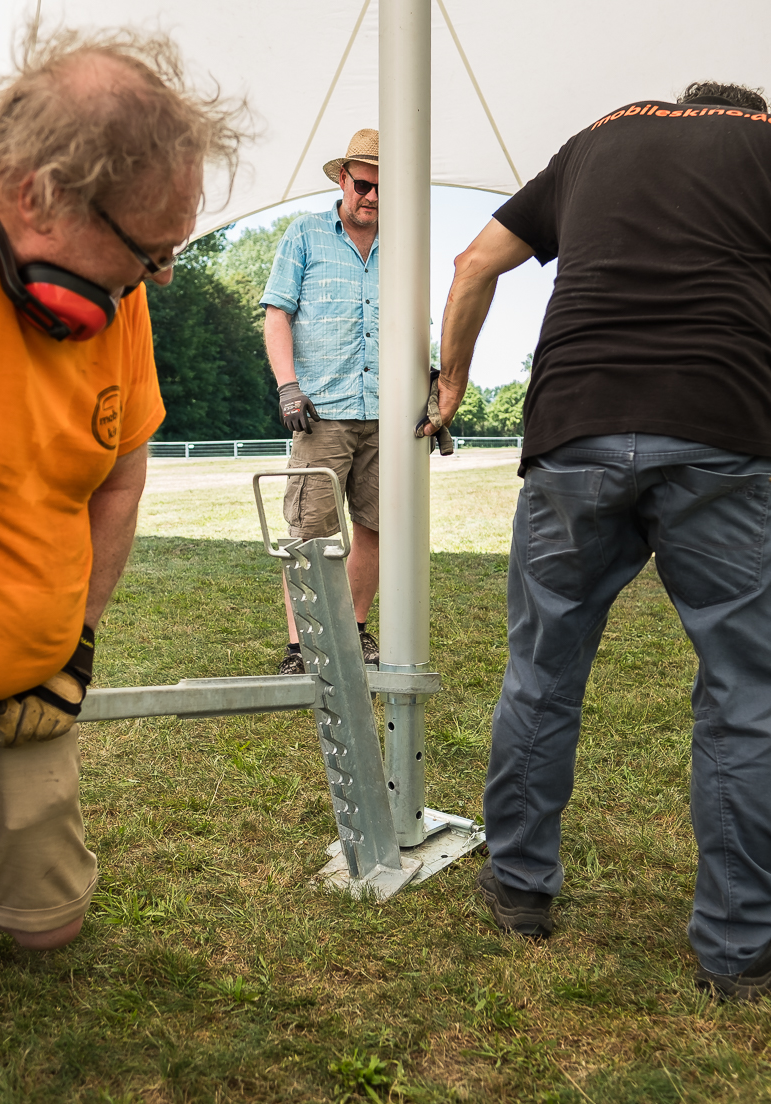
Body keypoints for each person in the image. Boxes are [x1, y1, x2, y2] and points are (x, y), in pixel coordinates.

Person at [0, 27, 243, 1031]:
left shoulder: (118, 295)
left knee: (48, 928)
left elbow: (115, 481)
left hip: (30, 689)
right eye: (147, 249)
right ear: (32, 191)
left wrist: (77, 647)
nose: (160, 277)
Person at [426, 81, 771, 1000]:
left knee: (542, 667)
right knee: (745, 692)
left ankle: (519, 887)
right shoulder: (763, 140)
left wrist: (451, 379)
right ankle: (735, 952)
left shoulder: (596, 139)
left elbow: (469, 264)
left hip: (573, 426)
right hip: (722, 429)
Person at [262, 129, 381, 674]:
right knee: (310, 533)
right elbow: (277, 314)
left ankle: (354, 631)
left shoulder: (403, 243)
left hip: (386, 412)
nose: (373, 198)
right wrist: (288, 385)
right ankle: (302, 645)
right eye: (364, 185)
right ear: (343, 179)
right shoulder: (305, 234)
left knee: (379, 527)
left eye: (384, 189)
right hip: (322, 410)